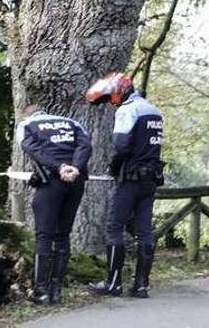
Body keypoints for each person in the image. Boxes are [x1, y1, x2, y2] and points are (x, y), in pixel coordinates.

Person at [85, 72, 164, 298]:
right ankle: (141, 285)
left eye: (112, 97)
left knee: (115, 227)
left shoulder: (127, 110)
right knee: (145, 231)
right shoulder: (154, 111)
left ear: (121, 92)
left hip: (130, 179)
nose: (112, 101)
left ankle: (113, 283)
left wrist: (113, 168)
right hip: (150, 179)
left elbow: (121, 146)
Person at [16, 104, 92, 304]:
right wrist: (75, 167)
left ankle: (41, 291)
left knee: (44, 234)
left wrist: (59, 167)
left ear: (26, 114)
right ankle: (56, 291)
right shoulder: (72, 123)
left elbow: (32, 149)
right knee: (63, 234)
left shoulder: (27, 124)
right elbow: (85, 145)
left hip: (52, 181)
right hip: (76, 181)